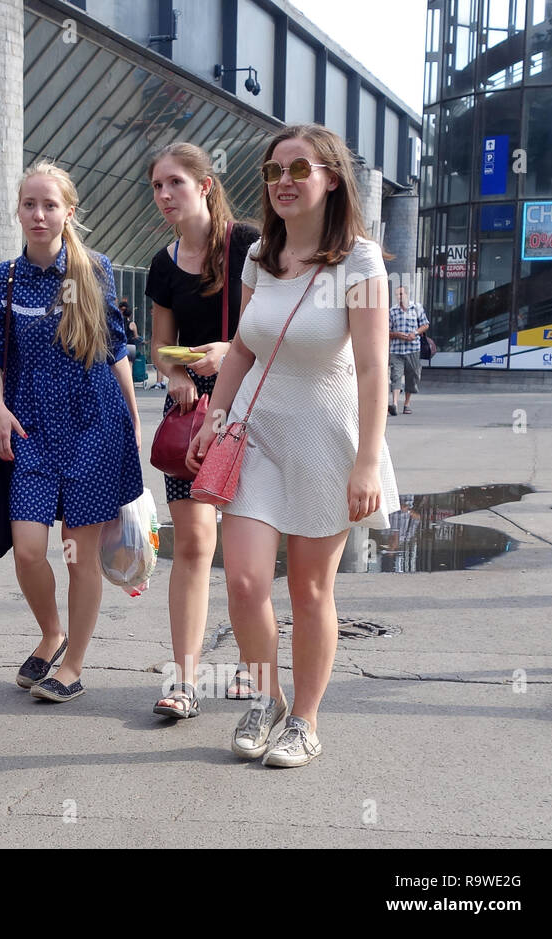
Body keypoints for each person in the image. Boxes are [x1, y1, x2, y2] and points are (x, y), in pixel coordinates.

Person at [188, 123, 399, 768]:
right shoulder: (260, 257)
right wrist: (212, 416)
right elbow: (247, 345)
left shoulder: (359, 262)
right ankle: (266, 699)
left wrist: (367, 459)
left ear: (331, 179)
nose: (283, 181)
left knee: (309, 590)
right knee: (246, 581)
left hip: (326, 438)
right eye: (274, 171)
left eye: (299, 169)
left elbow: (372, 368)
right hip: (255, 432)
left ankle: (305, 718)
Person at [0, 160, 143, 703]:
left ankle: (73, 663)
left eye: (50, 205)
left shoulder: (93, 267)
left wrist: (133, 414)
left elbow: (115, 345)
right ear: (19, 210)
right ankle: (51, 633)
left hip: (93, 423)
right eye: (30, 204)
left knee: (79, 551)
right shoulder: (1, 278)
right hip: (28, 425)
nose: (39, 214)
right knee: (28, 548)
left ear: (69, 211)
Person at [145, 141, 260, 718]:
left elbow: (277, 325)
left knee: (245, 553)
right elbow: (160, 347)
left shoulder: (251, 245)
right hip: (193, 416)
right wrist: (175, 373)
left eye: (176, 184)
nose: (165, 195)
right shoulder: (164, 264)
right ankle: (185, 680)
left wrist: (230, 352)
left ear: (205, 186)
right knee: (193, 544)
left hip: (251, 410)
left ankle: (249, 664)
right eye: (158, 186)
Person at [388, 285, 429, 415]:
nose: (399, 297)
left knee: (412, 376)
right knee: (396, 376)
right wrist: (397, 334)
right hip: (397, 350)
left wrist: (415, 333)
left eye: (401, 294)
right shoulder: (392, 311)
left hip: (413, 348)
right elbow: (387, 331)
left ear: (407, 294)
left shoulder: (416, 308)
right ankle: (394, 403)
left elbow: (425, 324)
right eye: (397, 295)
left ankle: (407, 403)